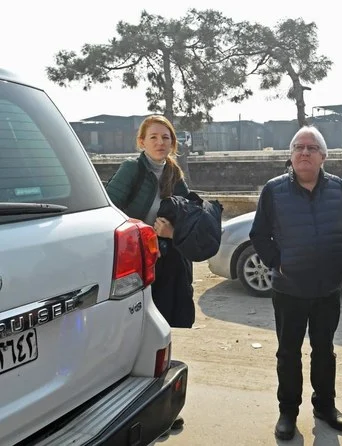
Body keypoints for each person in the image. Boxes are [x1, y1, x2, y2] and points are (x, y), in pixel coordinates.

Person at [249, 126, 342, 441]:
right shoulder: (274, 190)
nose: (305, 153)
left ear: (324, 156)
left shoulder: (339, 189)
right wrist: (278, 263)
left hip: (327, 289)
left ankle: (325, 406)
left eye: (312, 148)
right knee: (288, 353)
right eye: (299, 147)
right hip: (289, 289)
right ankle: (288, 411)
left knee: (324, 350)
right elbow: (259, 234)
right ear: (291, 155)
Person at [105, 114, 191, 433]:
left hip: (162, 259)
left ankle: (160, 404)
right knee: (132, 328)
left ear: (172, 143)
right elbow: (111, 210)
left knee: (161, 329)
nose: (160, 143)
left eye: (165, 138)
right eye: (153, 137)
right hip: (132, 260)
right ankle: (123, 402)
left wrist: (172, 230)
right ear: (142, 142)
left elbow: (185, 210)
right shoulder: (132, 169)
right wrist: (141, 231)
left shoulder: (174, 173)